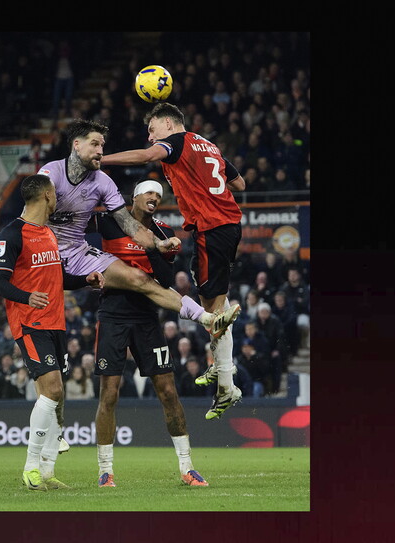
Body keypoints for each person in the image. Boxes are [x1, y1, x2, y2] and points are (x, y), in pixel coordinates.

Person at [37, 119, 240, 364]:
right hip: (43, 250)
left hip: (78, 252)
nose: (100, 151)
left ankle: (206, 318)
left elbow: (128, 223)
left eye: (102, 146)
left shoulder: (103, 182)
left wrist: (156, 244)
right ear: (76, 145)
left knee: (140, 278)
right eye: (95, 145)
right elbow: (34, 212)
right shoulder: (51, 172)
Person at [100, 103, 247, 420]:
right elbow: (239, 184)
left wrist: (101, 160)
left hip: (212, 228)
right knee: (214, 304)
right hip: (227, 224)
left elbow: (145, 156)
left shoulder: (176, 142)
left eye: (152, 129)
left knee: (213, 312)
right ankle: (222, 366)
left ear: (168, 123)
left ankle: (226, 381)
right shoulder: (207, 144)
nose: (150, 136)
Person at [87, 180, 209, 487]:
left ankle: (187, 467)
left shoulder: (164, 232)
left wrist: (152, 245)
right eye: (149, 193)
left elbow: (165, 279)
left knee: (168, 391)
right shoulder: (109, 222)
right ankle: (105, 471)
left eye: (159, 194)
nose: (155, 197)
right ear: (135, 197)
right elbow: (75, 224)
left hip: (147, 318)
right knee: (109, 394)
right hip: (112, 316)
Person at [0, 174, 105, 491]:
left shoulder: (49, 234)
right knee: (52, 389)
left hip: (56, 323)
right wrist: (27, 297)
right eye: (55, 193)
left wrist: (85, 280)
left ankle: (47, 471)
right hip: (30, 323)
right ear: (45, 196)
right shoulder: (12, 233)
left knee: (56, 395)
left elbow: (59, 277)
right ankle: (30, 468)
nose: (58, 197)